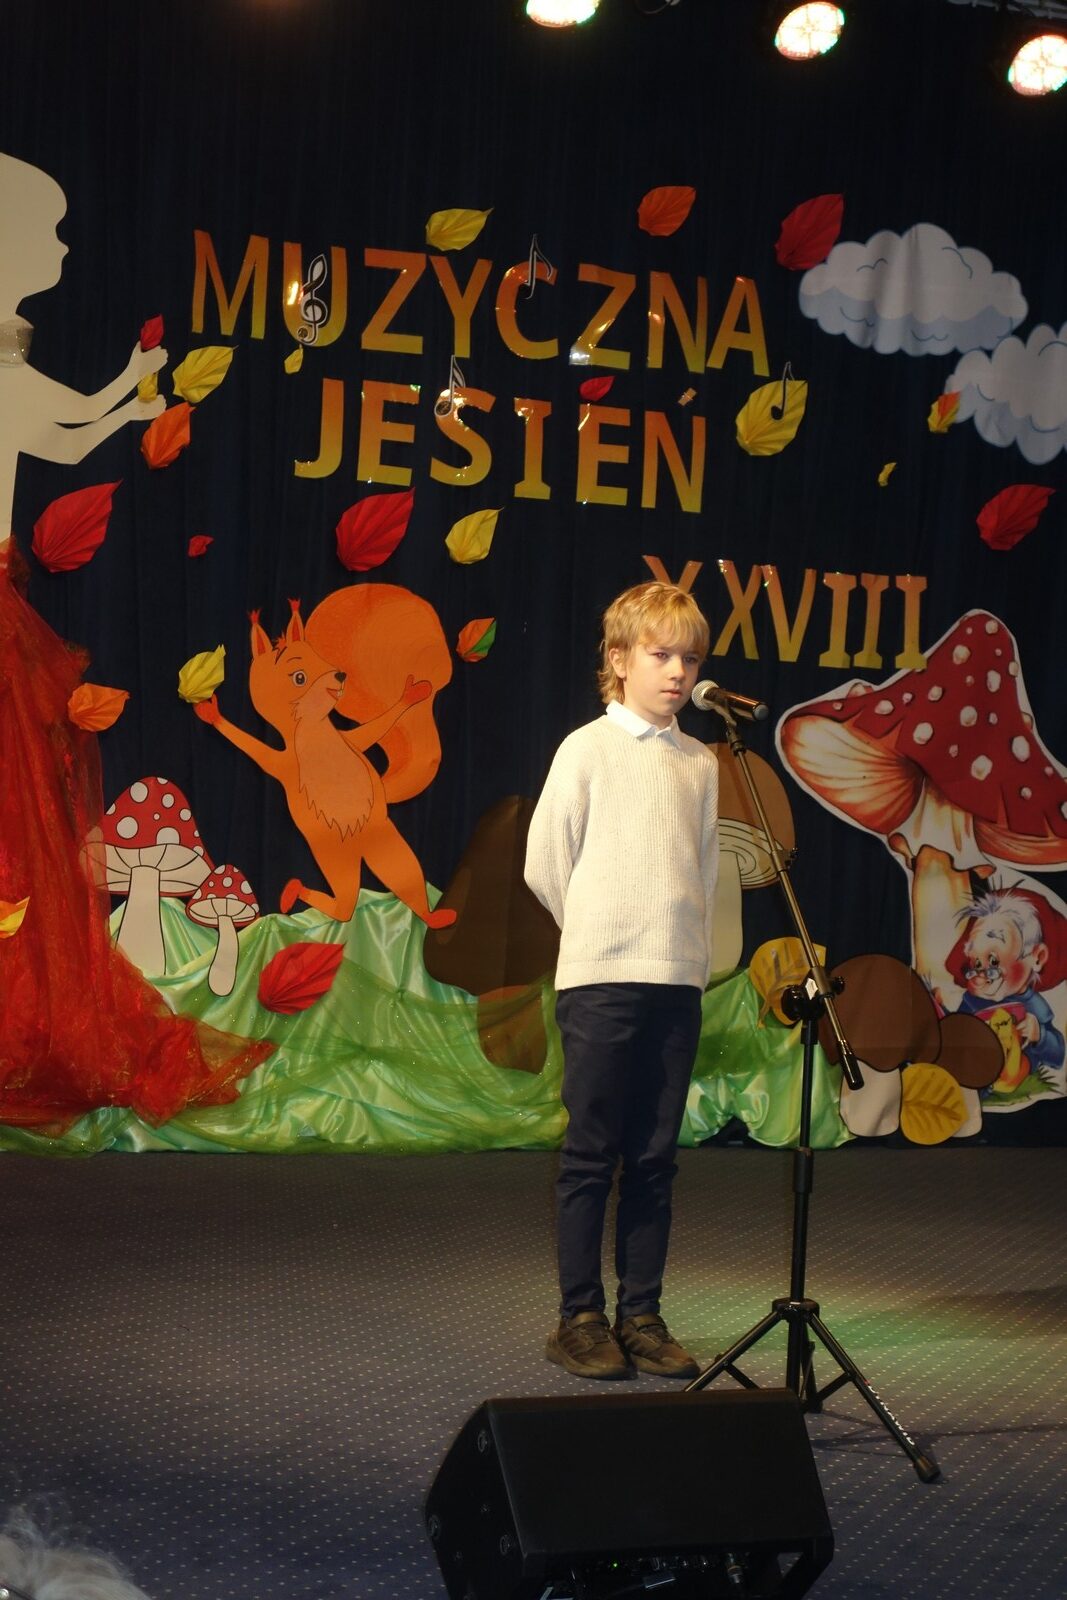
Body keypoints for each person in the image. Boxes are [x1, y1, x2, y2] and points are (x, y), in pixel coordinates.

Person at [524, 581, 719, 1380]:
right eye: (659, 654)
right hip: (602, 978)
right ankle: (579, 1316)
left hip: (675, 981)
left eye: (689, 659)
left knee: (653, 1157)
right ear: (618, 659)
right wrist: (599, 934)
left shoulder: (701, 762)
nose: (676, 672)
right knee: (590, 1152)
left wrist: (684, 956)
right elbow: (546, 862)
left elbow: (703, 872)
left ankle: (641, 1312)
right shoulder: (586, 749)